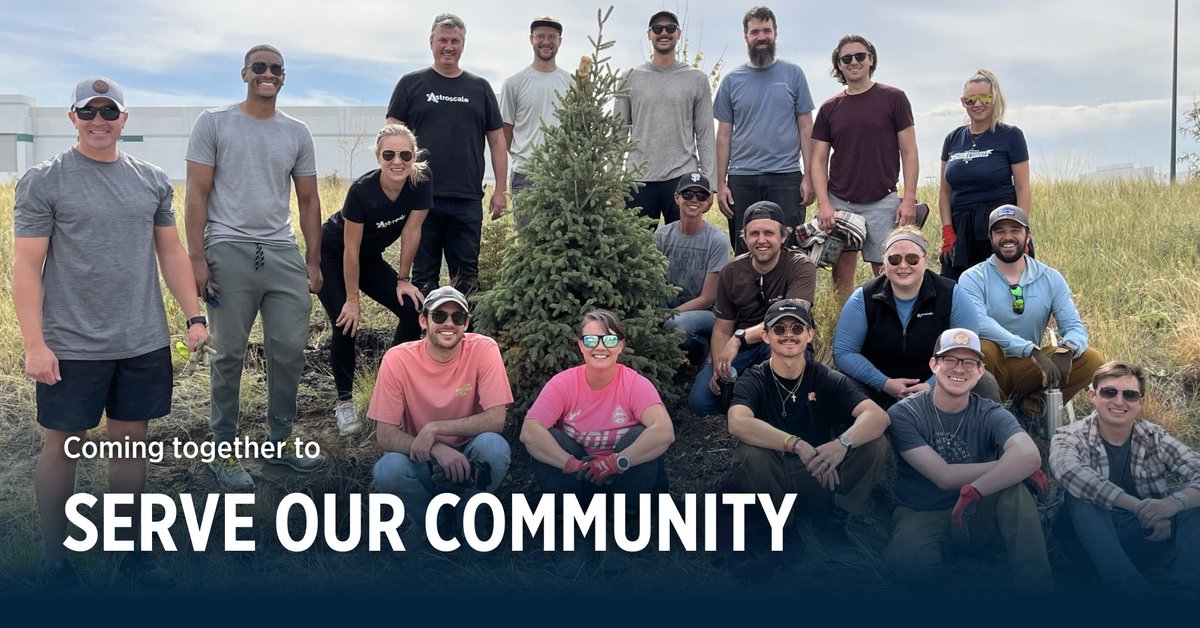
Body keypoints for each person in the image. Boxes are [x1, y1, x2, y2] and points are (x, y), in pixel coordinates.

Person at [15, 76, 207, 590]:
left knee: (130, 448)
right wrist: (34, 344)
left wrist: (194, 315)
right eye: (89, 111)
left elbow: (171, 251)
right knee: (61, 446)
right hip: (70, 345)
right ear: (72, 117)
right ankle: (56, 561)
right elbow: (26, 266)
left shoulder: (151, 179)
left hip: (141, 339)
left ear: (125, 119)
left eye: (109, 112)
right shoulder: (44, 180)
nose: (99, 120)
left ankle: (130, 554)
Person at [185, 44, 324, 492]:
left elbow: (307, 199)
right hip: (228, 247)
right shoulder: (214, 123)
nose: (268, 74)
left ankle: (279, 442)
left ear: (284, 78)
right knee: (229, 353)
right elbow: (195, 195)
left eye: (276, 69)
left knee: (289, 350)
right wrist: (197, 258)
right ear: (245, 73)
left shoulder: (297, 132)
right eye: (260, 67)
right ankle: (221, 451)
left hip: (281, 251)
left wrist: (313, 258)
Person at [884, 328, 1053, 595]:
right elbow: (944, 476)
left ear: (979, 370)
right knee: (908, 565)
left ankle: (1036, 589)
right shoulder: (905, 414)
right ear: (934, 365)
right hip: (924, 511)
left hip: (980, 510)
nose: (959, 369)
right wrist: (1014, 467)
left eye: (969, 362)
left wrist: (976, 490)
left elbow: (1029, 455)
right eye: (950, 359)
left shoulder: (991, 413)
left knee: (1013, 492)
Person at [728, 299, 890, 563]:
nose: (788, 334)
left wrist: (842, 443)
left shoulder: (825, 376)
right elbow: (737, 422)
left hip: (823, 473)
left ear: (809, 334)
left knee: (875, 442)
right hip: (774, 474)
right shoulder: (754, 378)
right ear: (766, 336)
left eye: (796, 328)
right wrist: (795, 443)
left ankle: (836, 518)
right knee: (749, 453)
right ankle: (783, 526)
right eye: (779, 329)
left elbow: (878, 416)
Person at [370, 286, 513, 544]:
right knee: (387, 470)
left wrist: (435, 428)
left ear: (466, 324)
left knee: (495, 447)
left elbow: (496, 419)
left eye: (457, 318)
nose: (449, 323)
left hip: (470, 453)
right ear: (423, 321)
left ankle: (468, 518)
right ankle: (428, 524)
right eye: (439, 316)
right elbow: (385, 435)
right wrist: (436, 448)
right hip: (421, 455)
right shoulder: (397, 359)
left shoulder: (484, 349)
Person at [316, 124, 430, 436]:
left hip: (369, 259)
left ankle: (388, 390)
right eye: (389, 154)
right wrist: (352, 301)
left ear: (414, 156)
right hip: (333, 253)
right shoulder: (362, 191)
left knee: (411, 309)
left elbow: (411, 231)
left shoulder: (420, 182)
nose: (397, 161)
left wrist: (403, 279)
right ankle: (344, 404)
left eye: (405, 154)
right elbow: (349, 250)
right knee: (345, 322)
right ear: (378, 156)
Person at [1049, 361, 1200, 598]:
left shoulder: (1154, 436)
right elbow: (1069, 472)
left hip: (1145, 535)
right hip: (1089, 542)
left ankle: (1186, 593)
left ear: (1141, 402)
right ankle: (1134, 593)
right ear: (1093, 395)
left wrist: (1172, 504)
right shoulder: (1069, 436)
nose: (1119, 401)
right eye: (1109, 392)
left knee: (1193, 501)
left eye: (1129, 395)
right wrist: (1142, 508)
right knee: (1081, 496)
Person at [387, 13, 506, 298]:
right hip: (420, 197)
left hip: (467, 200)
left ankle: (465, 339)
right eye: (443, 40)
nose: (448, 46)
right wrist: (393, 186)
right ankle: (421, 337)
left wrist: (500, 190)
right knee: (423, 280)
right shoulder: (410, 84)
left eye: (455, 41)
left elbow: (498, 141)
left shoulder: (480, 88)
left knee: (467, 280)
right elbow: (391, 137)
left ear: (463, 45)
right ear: (432, 42)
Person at [958, 205, 1104, 416]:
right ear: (990, 237)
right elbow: (978, 322)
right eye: (1000, 231)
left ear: (1028, 235)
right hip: (991, 366)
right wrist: (1028, 348)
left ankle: (1034, 405)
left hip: (1032, 365)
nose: (1008, 237)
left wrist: (1069, 348)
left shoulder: (1051, 278)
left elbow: (1073, 326)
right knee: (983, 347)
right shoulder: (973, 277)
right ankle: (993, 414)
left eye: (1015, 230)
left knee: (1092, 359)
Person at [832, 227, 997, 409]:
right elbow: (844, 352)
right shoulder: (863, 297)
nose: (903, 266)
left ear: (925, 261)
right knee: (838, 381)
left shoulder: (953, 295)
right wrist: (884, 383)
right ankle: (865, 430)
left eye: (912, 258)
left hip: (939, 384)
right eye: (894, 260)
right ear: (884, 264)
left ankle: (983, 429)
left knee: (984, 382)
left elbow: (968, 350)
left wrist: (931, 385)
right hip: (877, 387)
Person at [810, 34, 919, 298]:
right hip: (840, 201)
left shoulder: (894, 98)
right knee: (841, 271)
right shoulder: (829, 108)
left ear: (871, 60)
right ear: (839, 64)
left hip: (883, 199)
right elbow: (818, 160)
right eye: (846, 58)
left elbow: (909, 151)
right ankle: (845, 324)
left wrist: (910, 199)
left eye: (860, 56)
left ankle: (886, 323)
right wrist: (824, 203)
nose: (854, 62)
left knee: (886, 269)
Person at [689, 201, 816, 417]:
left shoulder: (800, 266)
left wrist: (739, 337)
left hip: (784, 341)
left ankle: (773, 401)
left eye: (769, 233)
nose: (761, 240)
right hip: (744, 349)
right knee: (700, 403)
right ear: (744, 237)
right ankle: (749, 394)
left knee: (781, 347)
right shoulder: (731, 271)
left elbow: (787, 321)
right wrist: (721, 367)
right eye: (754, 233)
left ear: (783, 237)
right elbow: (721, 329)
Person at [713, 5, 815, 254]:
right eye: (755, 31)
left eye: (766, 31)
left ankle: (788, 295)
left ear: (775, 33)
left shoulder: (794, 74)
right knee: (744, 249)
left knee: (789, 249)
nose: (761, 37)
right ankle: (747, 295)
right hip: (742, 179)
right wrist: (721, 183)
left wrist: (809, 177)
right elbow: (723, 135)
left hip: (786, 176)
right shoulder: (731, 81)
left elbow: (806, 128)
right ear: (746, 36)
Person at [614, 10, 715, 226]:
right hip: (637, 179)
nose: (664, 33)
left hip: (682, 177)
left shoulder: (697, 79)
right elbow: (618, 134)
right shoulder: (629, 77)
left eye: (670, 28)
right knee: (635, 252)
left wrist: (709, 182)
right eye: (657, 29)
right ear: (649, 34)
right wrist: (613, 182)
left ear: (679, 33)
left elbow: (705, 133)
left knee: (682, 248)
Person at [938, 69, 1031, 281]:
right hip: (961, 229)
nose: (977, 104)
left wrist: (1021, 231)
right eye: (970, 100)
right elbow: (944, 191)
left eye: (984, 98)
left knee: (1005, 287)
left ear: (994, 98)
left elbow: (1023, 187)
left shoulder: (1011, 136)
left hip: (999, 225)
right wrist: (947, 231)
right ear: (963, 102)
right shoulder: (952, 139)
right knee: (955, 292)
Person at [656, 172, 730, 364]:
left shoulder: (717, 240)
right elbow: (654, 281)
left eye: (701, 195)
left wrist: (668, 315)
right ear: (677, 197)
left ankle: (700, 354)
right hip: (668, 302)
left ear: (708, 202)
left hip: (705, 312)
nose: (694, 200)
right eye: (688, 194)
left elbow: (707, 298)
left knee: (677, 325)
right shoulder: (661, 235)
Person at [500, 16, 572, 202]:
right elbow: (505, 131)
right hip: (525, 176)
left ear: (560, 41)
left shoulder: (572, 83)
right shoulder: (513, 83)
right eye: (540, 36)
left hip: (565, 177)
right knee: (527, 232)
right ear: (531, 39)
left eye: (552, 37)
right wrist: (523, 156)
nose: (546, 42)